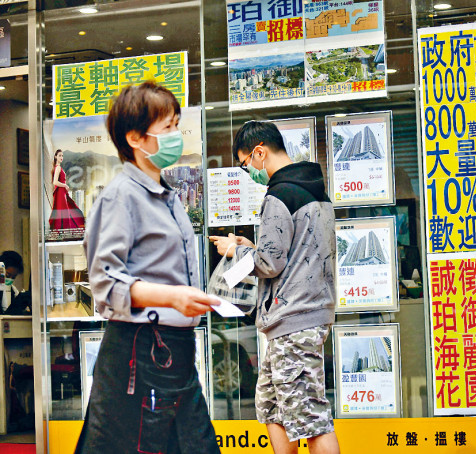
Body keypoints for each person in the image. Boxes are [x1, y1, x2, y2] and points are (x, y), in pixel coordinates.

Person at [75, 81, 220, 454]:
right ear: (136, 138)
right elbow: (106, 283)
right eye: (168, 127)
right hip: (138, 353)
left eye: (176, 125)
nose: (177, 135)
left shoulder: (167, 195)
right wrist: (173, 297)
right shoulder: (120, 196)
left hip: (176, 352)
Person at [209, 121, 340, 454]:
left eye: (245, 163)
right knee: (271, 406)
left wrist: (234, 251)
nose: (247, 171)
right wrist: (250, 246)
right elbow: (292, 252)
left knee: (311, 419)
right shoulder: (313, 189)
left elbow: (271, 263)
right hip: (302, 315)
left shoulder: (279, 194)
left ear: (259, 152)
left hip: (294, 319)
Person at [49, 148, 85, 231]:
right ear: (55, 157)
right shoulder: (57, 168)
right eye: (59, 155)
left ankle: (64, 230)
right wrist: (65, 185)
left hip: (62, 192)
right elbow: (55, 182)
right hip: (60, 193)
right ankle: (64, 230)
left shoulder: (57, 167)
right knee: (64, 211)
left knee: (66, 210)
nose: (61, 157)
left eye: (62, 155)